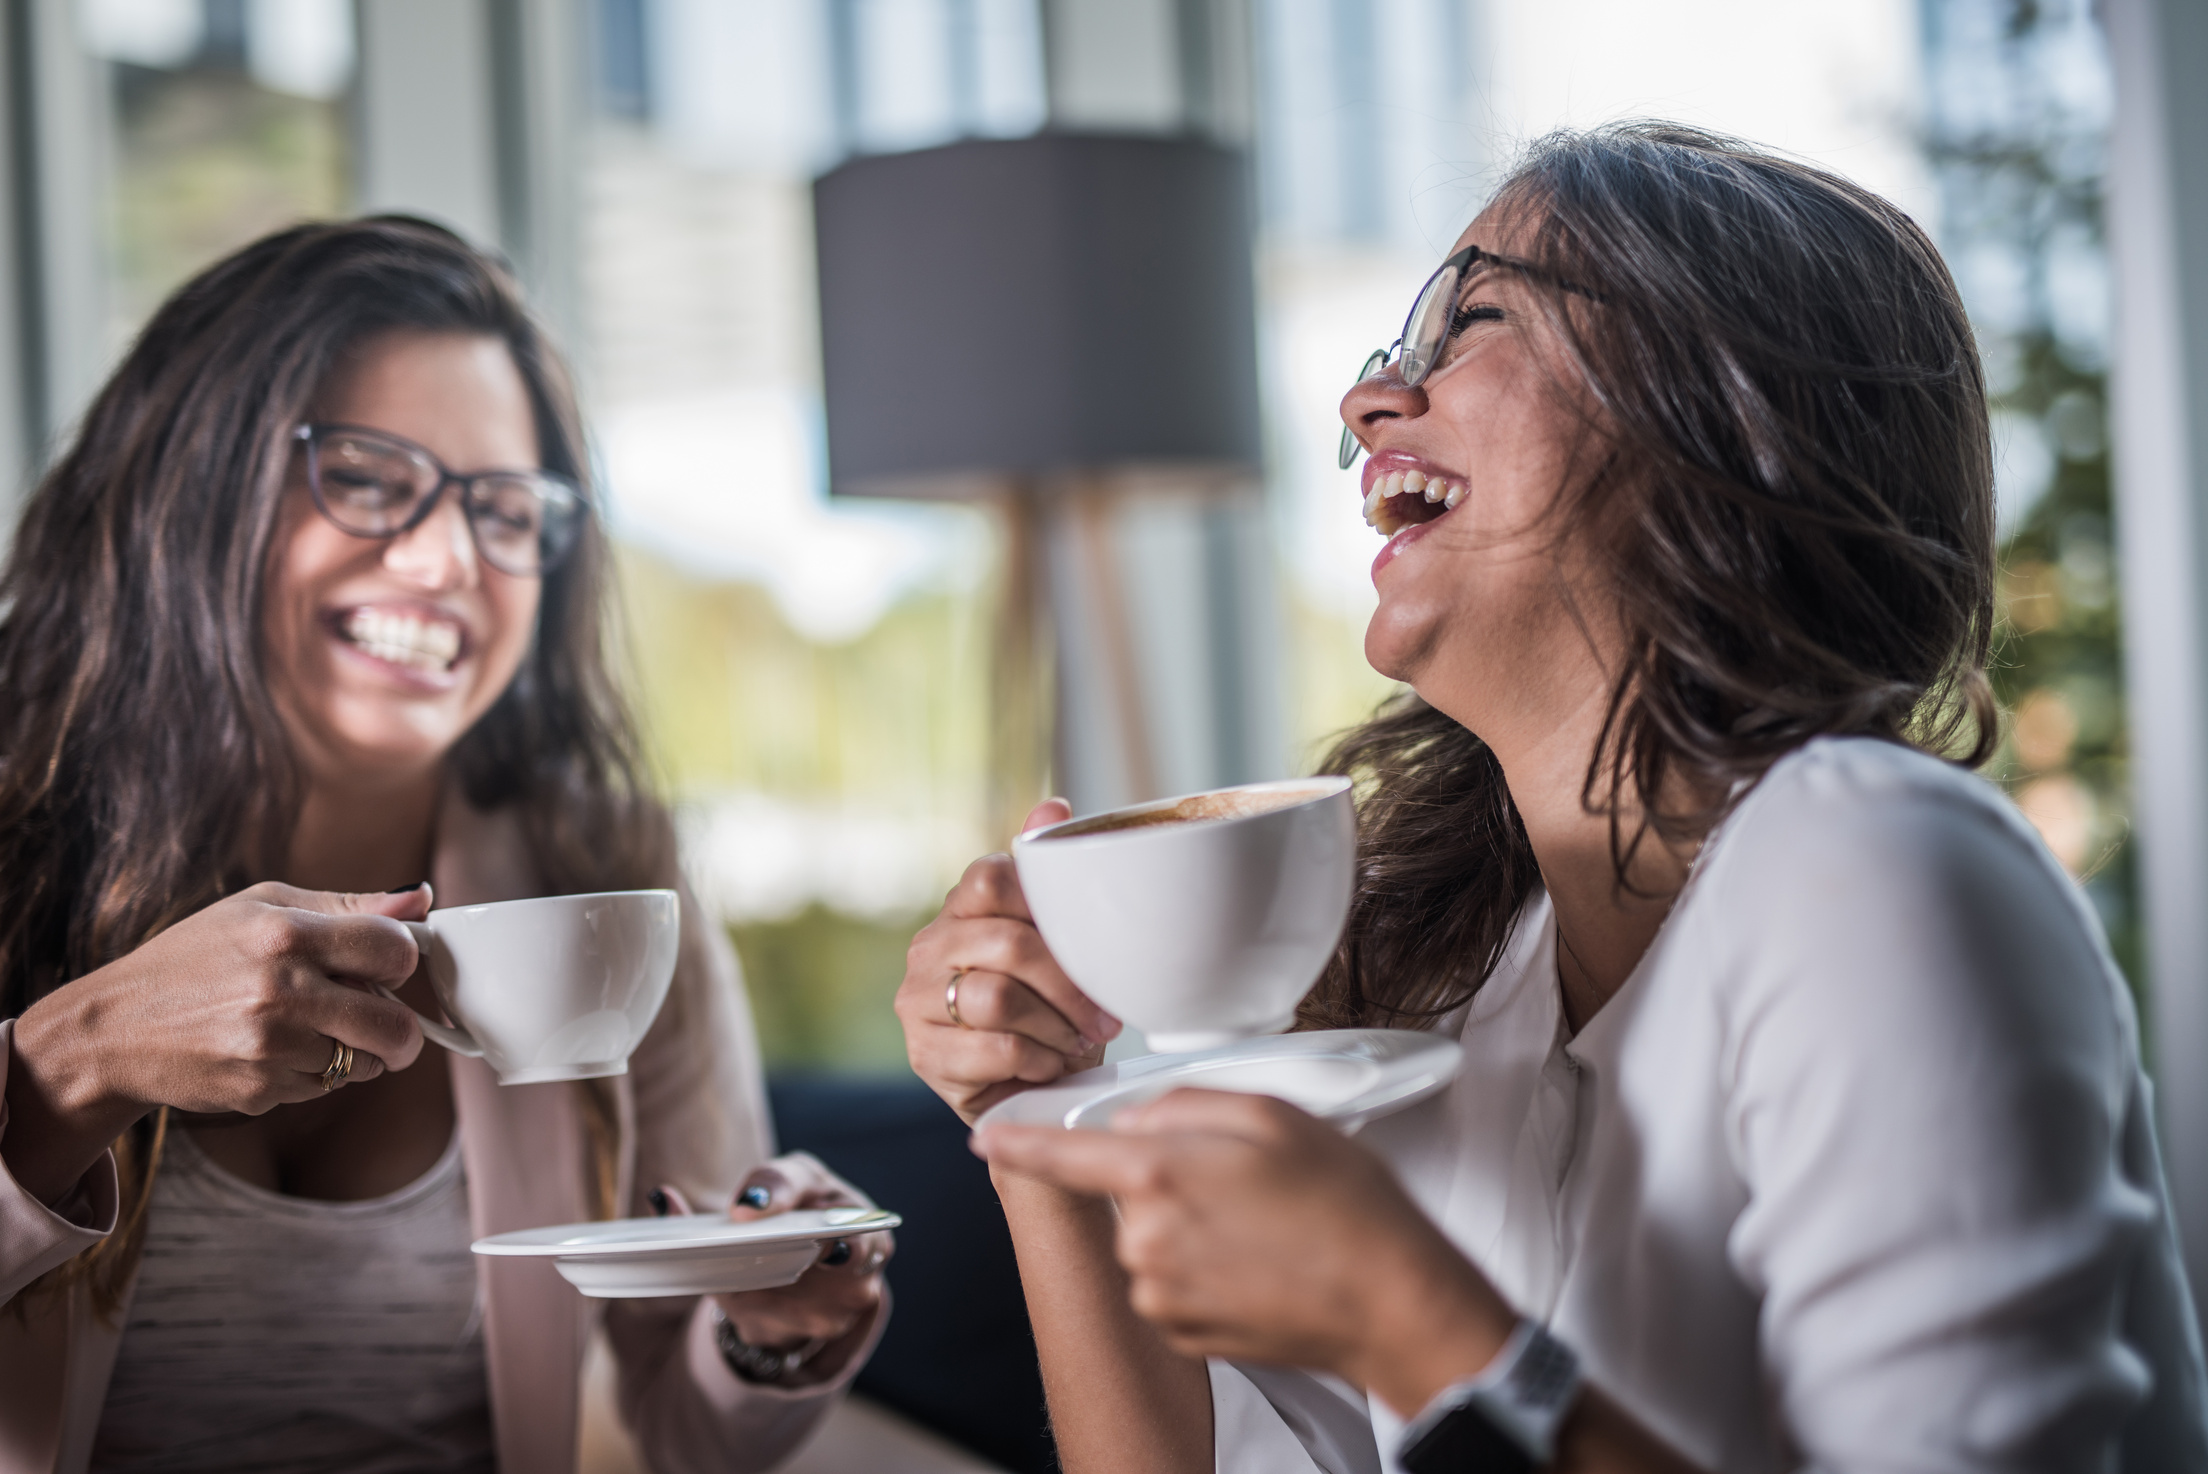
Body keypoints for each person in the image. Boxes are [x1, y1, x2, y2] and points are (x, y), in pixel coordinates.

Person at [895, 124, 2208, 1472]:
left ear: (1722, 404)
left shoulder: (1872, 863)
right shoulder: (1471, 981)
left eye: (1473, 322)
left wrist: (1408, 1316)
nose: (1368, 407)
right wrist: (1035, 1126)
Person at [0, 218, 887, 1474]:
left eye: (504, 506)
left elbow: (691, 1431)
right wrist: (72, 1065)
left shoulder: (602, 873)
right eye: (363, 476)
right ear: (186, 489)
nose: (445, 559)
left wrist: (773, 1336)